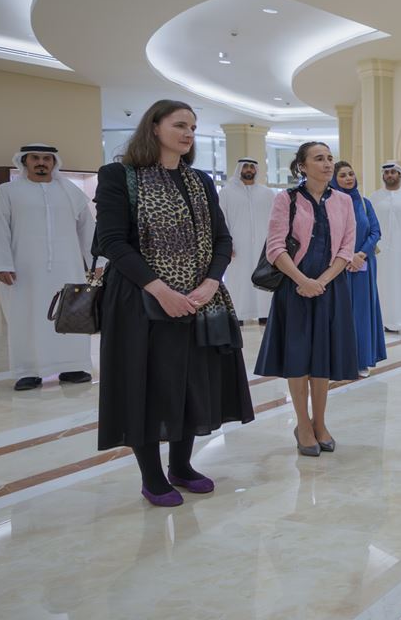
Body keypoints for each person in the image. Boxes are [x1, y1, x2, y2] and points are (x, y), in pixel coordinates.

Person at [95, 100, 253, 507]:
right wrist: (161, 289)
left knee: (192, 382)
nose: (188, 133)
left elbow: (222, 239)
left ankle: (181, 467)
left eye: (193, 128)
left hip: (201, 299)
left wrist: (209, 283)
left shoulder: (200, 180)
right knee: (147, 384)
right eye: (180, 125)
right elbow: (112, 241)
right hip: (140, 299)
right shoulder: (119, 176)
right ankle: (152, 477)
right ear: (154, 127)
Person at [255, 142, 358, 456]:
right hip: (293, 288)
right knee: (298, 356)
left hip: (330, 287)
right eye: (319, 159)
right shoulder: (285, 200)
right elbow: (275, 248)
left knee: (322, 358)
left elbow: (346, 248)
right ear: (301, 166)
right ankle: (302, 424)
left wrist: (322, 282)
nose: (327, 164)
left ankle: (320, 422)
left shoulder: (343, 201)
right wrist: (303, 281)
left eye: (329, 158)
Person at [0, 144, 100, 390]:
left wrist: (97, 261)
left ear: (54, 162)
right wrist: (3, 263)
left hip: (68, 267)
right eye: (35, 158)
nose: (41, 162)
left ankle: (74, 366)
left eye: (46, 159)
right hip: (23, 269)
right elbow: (0, 228)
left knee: (71, 314)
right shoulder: (7, 191)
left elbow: (87, 229)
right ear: (25, 161)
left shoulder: (70, 192)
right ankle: (28, 371)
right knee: (25, 317)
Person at [331, 162, 385, 377]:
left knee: (361, 313)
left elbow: (375, 232)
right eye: (342, 175)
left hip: (364, 265)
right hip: (337, 266)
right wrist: (346, 257)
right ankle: (339, 359)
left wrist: (360, 255)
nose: (348, 178)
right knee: (340, 312)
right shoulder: (330, 203)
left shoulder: (364, 203)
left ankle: (361, 360)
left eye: (351, 174)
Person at [216, 157, 276, 323]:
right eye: (246, 166)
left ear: (256, 170)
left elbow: (275, 220)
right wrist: (227, 244)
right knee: (237, 281)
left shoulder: (267, 193)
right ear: (239, 169)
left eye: (252, 166)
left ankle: (265, 314)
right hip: (237, 247)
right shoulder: (226, 193)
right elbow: (221, 220)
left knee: (263, 278)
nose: (249, 169)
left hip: (263, 246)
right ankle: (238, 315)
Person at [370, 161, 401, 337]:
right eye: (387, 173)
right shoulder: (374, 198)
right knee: (383, 284)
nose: (390, 175)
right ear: (383, 176)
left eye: (393, 172)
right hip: (381, 252)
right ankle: (387, 321)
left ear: (400, 175)